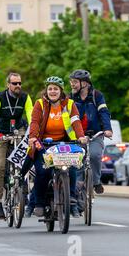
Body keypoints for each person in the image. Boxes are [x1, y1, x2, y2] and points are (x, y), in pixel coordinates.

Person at [27, 77, 87, 218]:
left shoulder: (69, 104)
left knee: (71, 165)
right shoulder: (40, 104)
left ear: (61, 91)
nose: (53, 91)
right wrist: (33, 137)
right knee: (42, 171)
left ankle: (71, 199)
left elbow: (76, 121)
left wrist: (80, 136)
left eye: (56, 89)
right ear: (46, 91)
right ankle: (39, 203)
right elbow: (34, 122)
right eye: (50, 89)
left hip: (64, 143)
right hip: (42, 143)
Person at [0, 72, 33, 220]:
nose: (18, 86)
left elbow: (31, 115)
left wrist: (33, 132)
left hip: (19, 131)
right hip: (1, 132)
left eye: (20, 83)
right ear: (8, 85)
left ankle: (24, 191)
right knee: (0, 166)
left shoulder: (25, 97)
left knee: (24, 162)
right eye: (15, 83)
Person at [69, 69, 112, 195]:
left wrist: (107, 129)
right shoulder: (70, 97)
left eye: (75, 82)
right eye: (71, 81)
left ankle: (96, 181)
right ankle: (78, 191)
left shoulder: (96, 95)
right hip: (77, 136)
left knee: (94, 155)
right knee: (77, 161)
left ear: (85, 83)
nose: (72, 84)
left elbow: (104, 112)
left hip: (95, 134)